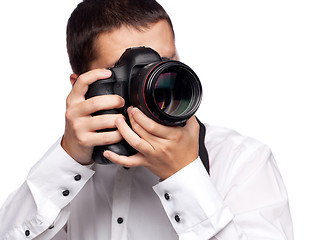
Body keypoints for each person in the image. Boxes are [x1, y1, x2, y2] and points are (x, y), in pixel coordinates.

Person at [0, 0, 293, 239]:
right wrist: (68, 158)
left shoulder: (241, 161)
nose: (155, 81)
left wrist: (184, 176)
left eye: (164, 63)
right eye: (129, 71)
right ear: (81, 86)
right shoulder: (70, 172)